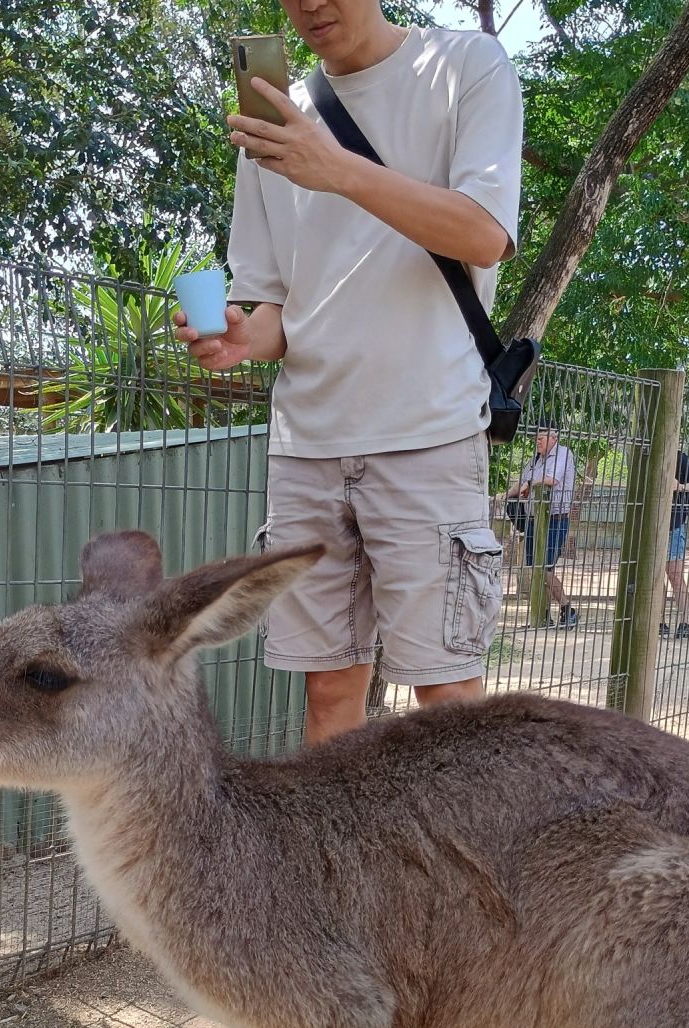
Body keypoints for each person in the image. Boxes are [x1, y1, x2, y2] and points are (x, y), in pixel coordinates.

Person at [175, 1, 523, 743]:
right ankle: (338, 864)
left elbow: (484, 235)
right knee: (330, 695)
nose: (310, 6)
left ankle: (466, 863)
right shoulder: (275, 118)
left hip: (426, 433)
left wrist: (337, 169)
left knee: (448, 697)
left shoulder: (466, 66)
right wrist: (238, 338)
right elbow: (270, 306)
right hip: (308, 444)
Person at [510, 422, 579, 626]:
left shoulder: (563, 454)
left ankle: (568, 609)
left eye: (541, 438)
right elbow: (521, 482)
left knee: (545, 568)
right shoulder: (534, 460)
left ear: (553, 438)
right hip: (533, 520)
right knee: (535, 568)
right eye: (536, 439)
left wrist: (530, 484)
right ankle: (543, 615)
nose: (537, 442)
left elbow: (552, 480)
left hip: (554, 519)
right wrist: (503, 496)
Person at [659, 450, 689, 641]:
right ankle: (659, 621)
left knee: (675, 574)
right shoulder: (644, 457)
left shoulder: (680, 458)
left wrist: (679, 486)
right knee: (655, 576)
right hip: (651, 526)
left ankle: (685, 622)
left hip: (674, 525)